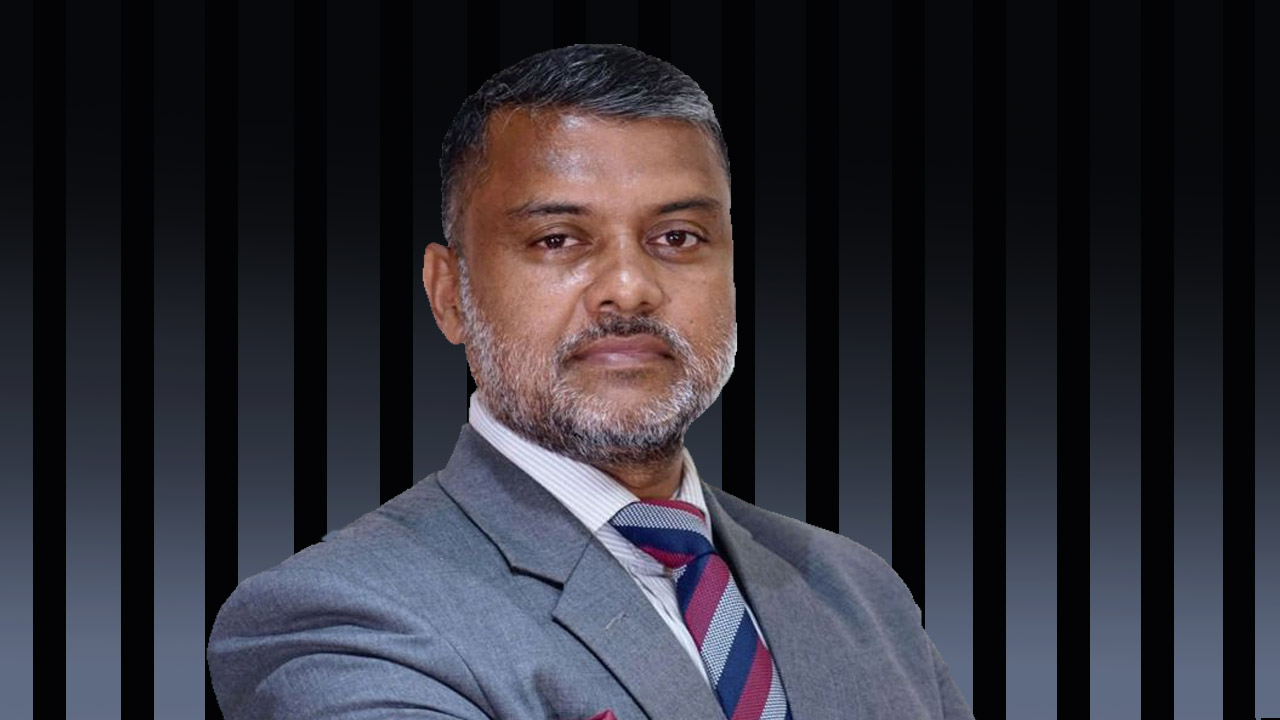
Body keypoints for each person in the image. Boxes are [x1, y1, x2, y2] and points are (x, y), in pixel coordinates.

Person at [207, 43, 975, 720]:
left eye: (678, 236)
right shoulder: (342, 617)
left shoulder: (860, 593)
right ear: (449, 296)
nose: (630, 288)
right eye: (557, 239)